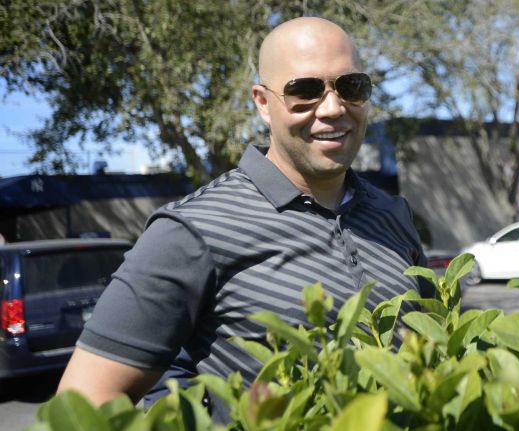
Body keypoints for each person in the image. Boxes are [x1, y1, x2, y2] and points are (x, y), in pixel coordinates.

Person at [57, 16, 428, 422]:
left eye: (350, 87)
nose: (333, 108)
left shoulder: (394, 215)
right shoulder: (190, 231)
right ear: (263, 103)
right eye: (304, 90)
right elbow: (84, 404)